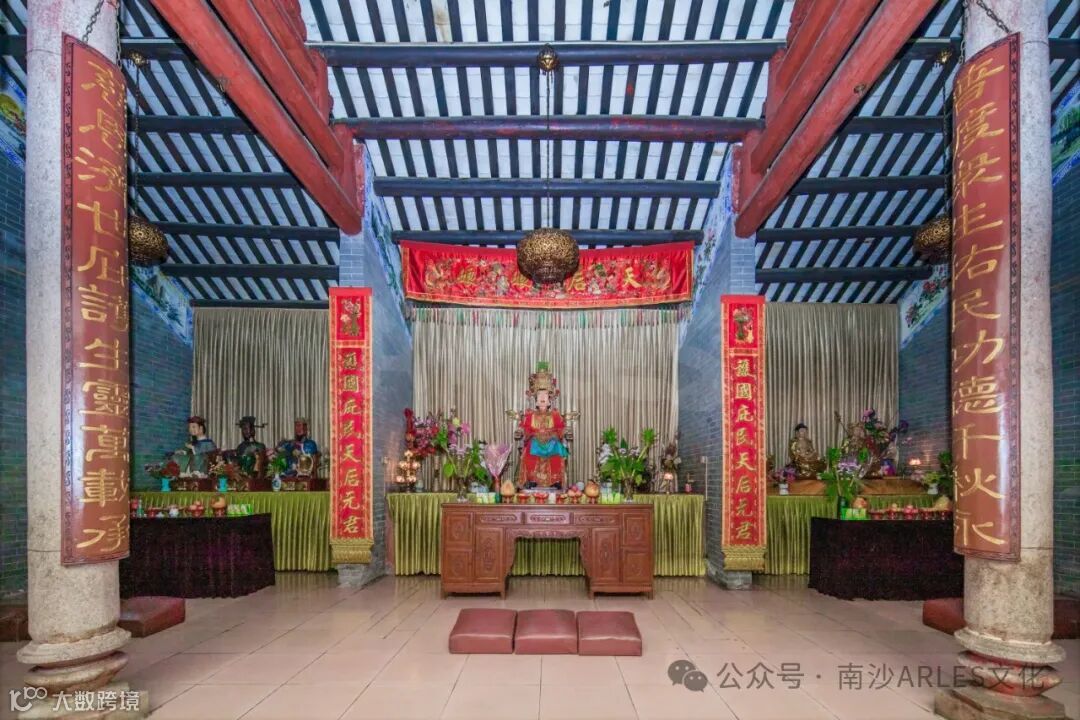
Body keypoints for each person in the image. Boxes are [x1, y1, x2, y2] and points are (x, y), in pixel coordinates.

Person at [515, 362, 570, 489]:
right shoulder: (530, 415)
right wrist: (521, 432)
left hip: (552, 442)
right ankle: (532, 480)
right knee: (531, 447)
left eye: (545, 395)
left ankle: (555, 481)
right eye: (540, 395)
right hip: (535, 442)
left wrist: (564, 432)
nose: (542, 397)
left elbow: (560, 428)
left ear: (550, 399)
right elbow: (526, 428)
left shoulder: (555, 414)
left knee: (557, 448)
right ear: (536, 399)